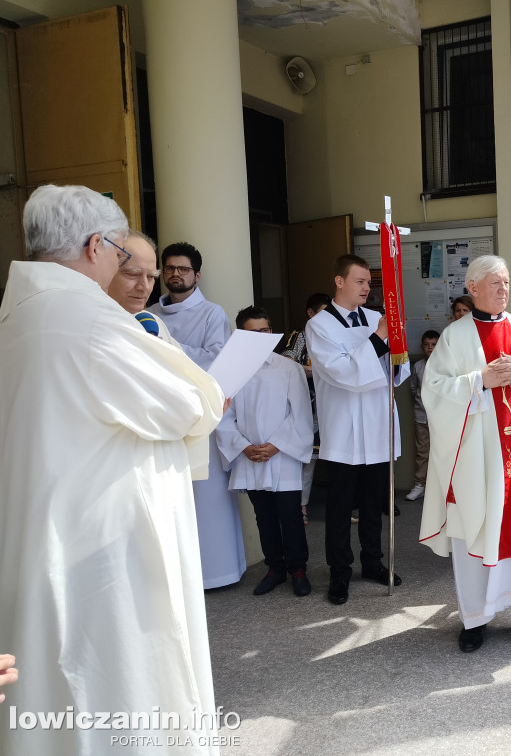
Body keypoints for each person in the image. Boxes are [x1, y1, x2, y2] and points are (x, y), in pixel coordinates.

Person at [0, 184, 225, 754]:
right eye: (124, 257)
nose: (132, 274)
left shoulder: (21, 314)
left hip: (52, 533)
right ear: (97, 245)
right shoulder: (87, 318)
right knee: (119, 695)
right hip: (101, 550)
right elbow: (189, 405)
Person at [419, 255, 511, 653]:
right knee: (475, 530)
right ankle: (474, 620)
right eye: (496, 283)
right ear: (474, 286)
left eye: (506, 282)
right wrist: (479, 381)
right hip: (479, 460)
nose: (504, 289)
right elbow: (433, 390)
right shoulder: (455, 336)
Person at [306, 254, 410, 606]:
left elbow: (396, 368)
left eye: (369, 282)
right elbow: (343, 372)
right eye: (360, 281)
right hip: (345, 429)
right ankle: (339, 571)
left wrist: (397, 346)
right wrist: (380, 338)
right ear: (340, 281)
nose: (367, 288)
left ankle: (373, 562)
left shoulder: (376, 317)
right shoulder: (319, 325)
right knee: (339, 507)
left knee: (373, 502)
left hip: (378, 422)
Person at [150, 241, 246, 589]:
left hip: (200, 416)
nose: (176, 274)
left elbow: (215, 362)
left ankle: (218, 572)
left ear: (197, 274)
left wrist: (166, 346)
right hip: (163, 416)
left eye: (184, 269)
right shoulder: (150, 315)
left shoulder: (212, 314)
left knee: (207, 500)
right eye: (170, 268)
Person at [219, 306, 315, 597]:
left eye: (265, 331)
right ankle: (275, 568)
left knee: (290, 515)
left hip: (282, 454)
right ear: (241, 336)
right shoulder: (231, 371)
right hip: (250, 456)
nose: (260, 337)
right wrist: (243, 447)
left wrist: (276, 446)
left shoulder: (288, 368)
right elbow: (223, 416)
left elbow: (300, 414)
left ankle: (298, 569)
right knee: (264, 517)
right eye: (252, 332)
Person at [283, 292, 331, 524]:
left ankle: (339, 507)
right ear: (310, 314)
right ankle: (301, 507)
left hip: (331, 403)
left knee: (337, 458)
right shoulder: (299, 336)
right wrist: (317, 371)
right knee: (307, 459)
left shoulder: (334, 335)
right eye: (323, 312)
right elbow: (287, 362)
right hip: (306, 401)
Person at [106, 229, 178, 343]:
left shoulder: (153, 323)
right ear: (104, 272)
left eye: (151, 277)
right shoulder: (86, 328)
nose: (144, 287)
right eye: (133, 274)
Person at [406, 329, 441, 502]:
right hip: (422, 417)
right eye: (426, 345)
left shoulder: (445, 365)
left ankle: (441, 488)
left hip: (442, 418)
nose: (430, 348)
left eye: (434, 345)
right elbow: (414, 389)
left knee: (443, 452)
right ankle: (420, 484)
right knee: (423, 452)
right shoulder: (418, 366)